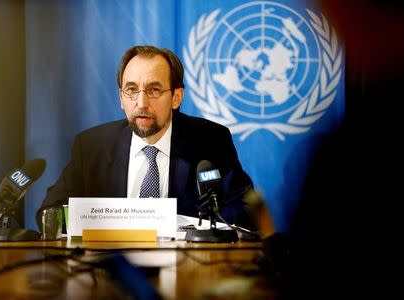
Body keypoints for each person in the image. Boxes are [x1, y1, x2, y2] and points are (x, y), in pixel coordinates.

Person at [37, 45, 254, 229]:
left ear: (176, 98)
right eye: (131, 90)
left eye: (154, 90)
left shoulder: (210, 140)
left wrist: (196, 229)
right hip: (111, 267)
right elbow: (49, 213)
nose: (141, 103)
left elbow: (244, 208)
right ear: (121, 98)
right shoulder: (92, 146)